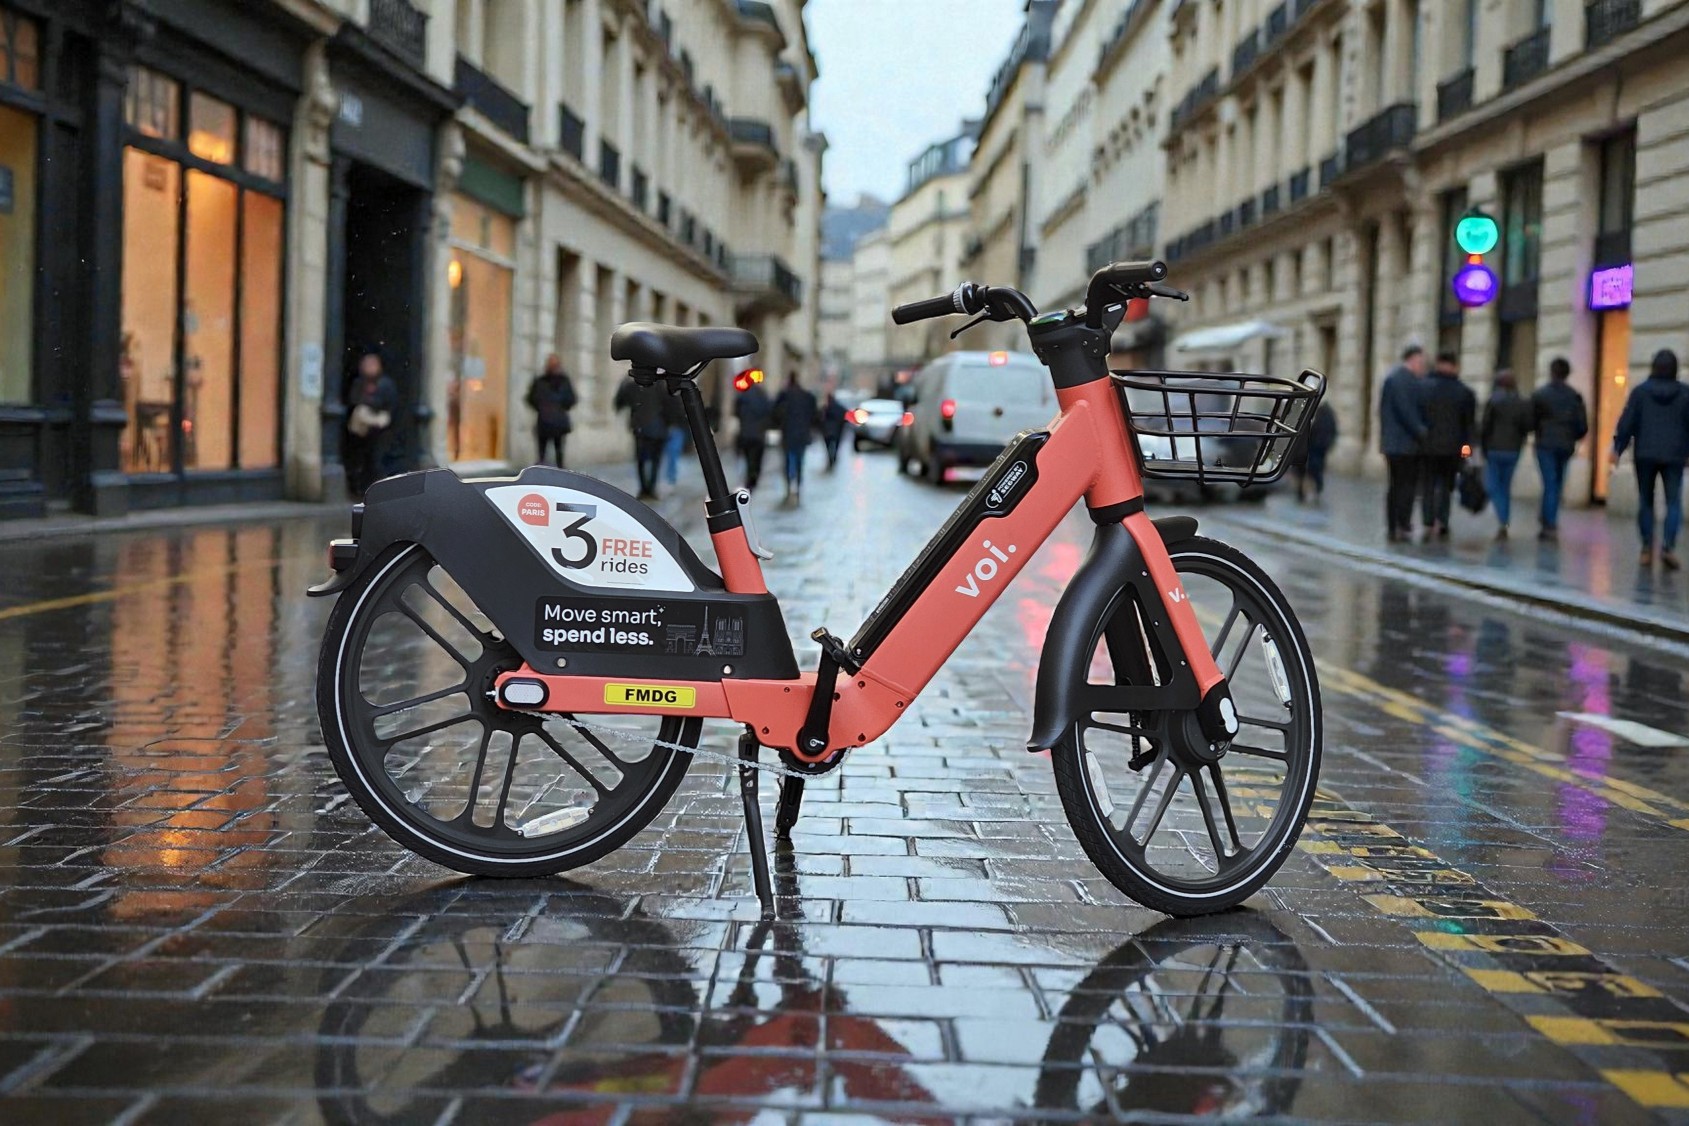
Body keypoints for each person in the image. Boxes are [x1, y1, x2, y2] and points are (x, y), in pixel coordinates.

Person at [1612, 348, 1689, 570]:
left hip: (1645, 453)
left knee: (1646, 500)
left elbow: (1627, 422)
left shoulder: (1640, 392)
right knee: (1673, 502)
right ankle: (1668, 547)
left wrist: (1618, 448)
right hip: (1675, 454)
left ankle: (1646, 548)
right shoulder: (1685, 393)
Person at [1417, 351, 1476, 540]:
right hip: (1453, 449)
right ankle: (1442, 521)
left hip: (1427, 447)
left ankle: (1428, 521)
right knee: (1446, 486)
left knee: (1427, 485)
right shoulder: (1464, 392)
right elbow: (1469, 427)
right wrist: (1466, 453)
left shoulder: (1422, 388)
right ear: (1454, 366)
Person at [1529, 356, 1588, 542]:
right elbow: (1582, 425)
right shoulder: (1574, 396)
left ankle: (1549, 522)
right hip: (1566, 445)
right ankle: (1548, 516)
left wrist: (1538, 433)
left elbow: (1531, 421)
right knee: (1557, 483)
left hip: (1545, 443)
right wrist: (1573, 437)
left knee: (1550, 482)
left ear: (1551, 372)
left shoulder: (1540, 395)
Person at [1378, 344, 1429, 541]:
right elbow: (1407, 411)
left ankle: (1393, 526)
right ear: (1413, 360)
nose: (1422, 366)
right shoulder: (1404, 380)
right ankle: (1402, 524)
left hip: (1392, 444)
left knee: (1395, 485)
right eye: (1421, 362)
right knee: (1406, 486)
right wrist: (1422, 431)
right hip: (1406, 444)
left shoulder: (1392, 379)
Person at [1479, 369, 1533, 540]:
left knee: (1492, 485)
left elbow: (1485, 426)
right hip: (1513, 449)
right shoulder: (1522, 402)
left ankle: (1503, 518)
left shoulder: (1493, 401)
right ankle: (1504, 522)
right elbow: (1527, 426)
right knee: (1505, 485)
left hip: (1494, 448)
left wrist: (1482, 447)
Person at [614, 375, 680, 500]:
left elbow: (620, 401)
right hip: (658, 427)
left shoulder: (632, 383)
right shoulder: (661, 384)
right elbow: (672, 404)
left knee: (641, 459)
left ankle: (645, 488)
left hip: (641, 427)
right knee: (655, 460)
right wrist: (671, 422)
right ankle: (650, 487)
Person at [344, 350, 398, 498]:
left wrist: (371, 405)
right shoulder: (359, 383)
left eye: (372, 364)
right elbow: (354, 399)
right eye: (366, 364)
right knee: (361, 460)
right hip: (361, 430)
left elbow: (389, 403)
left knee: (377, 461)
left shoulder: (385, 384)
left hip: (380, 431)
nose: (369, 367)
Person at [773, 372, 819, 502]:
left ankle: (789, 486)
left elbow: (775, 413)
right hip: (802, 435)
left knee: (788, 461)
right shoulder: (807, 396)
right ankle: (798, 486)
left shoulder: (784, 396)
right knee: (799, 461)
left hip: (788, 434)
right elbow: (814, 415)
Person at [525, 354, 577, 468]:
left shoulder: (564, 381)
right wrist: (541, 407)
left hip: (558, 422)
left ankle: (559, 471)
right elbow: (531, 398)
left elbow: (571, 399)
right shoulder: (540, 381)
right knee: (542, 454)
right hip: (544, 422)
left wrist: (560, 407)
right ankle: (542, 471)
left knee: (559, 452)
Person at [1293, 402, 1338, 502]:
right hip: (1318, 449)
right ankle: (1316, 488)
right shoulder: (1328, 420)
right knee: (1316, 468)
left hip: (1311, 448)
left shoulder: (1316, 420)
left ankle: (1304, 490)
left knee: (1308, 469)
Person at [734, 377, 774, 490]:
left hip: (746, 434)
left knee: (749, 458)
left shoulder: (743, 396)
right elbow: (769, 411)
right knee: (757, 459)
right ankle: (753, 478)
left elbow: (737, 412)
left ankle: (750, 477)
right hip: (759, 435)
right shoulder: (762, 395)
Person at [819, 387, 849, 471]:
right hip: (837, 431)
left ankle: (830, 459)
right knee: (836, 446)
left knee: (828, 446)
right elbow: (846, 418)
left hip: (827, 431)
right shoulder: (839, 408)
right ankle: (833, 458)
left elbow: (819, 419)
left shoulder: (825, 409)